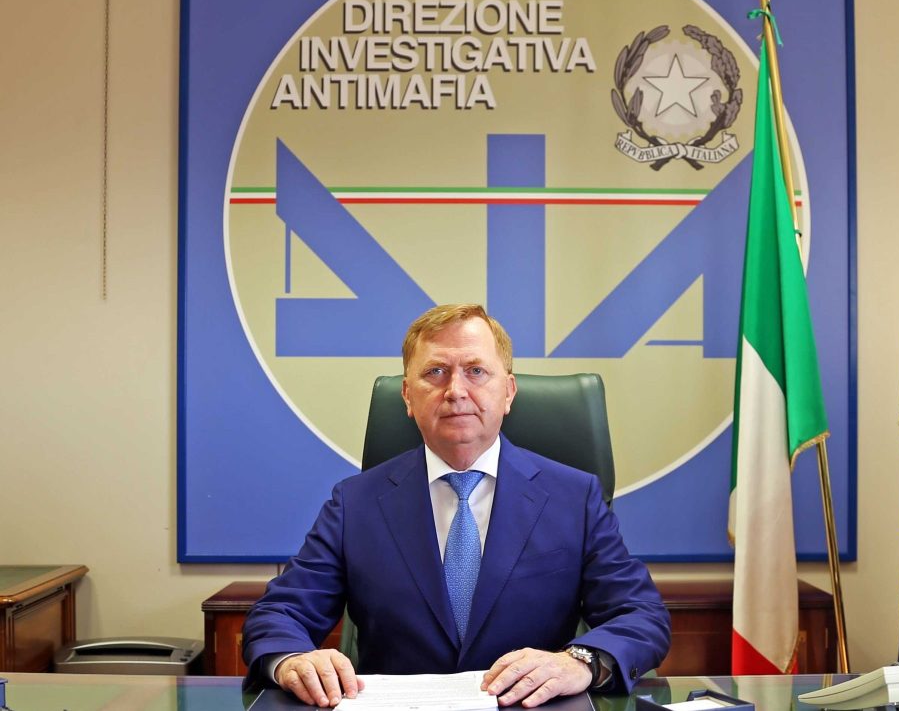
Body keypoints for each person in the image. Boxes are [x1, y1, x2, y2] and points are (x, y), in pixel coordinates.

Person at [242, 304, 670, 709]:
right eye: (436, 372)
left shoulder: (574, 498)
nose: (456, 391)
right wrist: (292, 659)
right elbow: (280, 614)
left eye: (476, 371)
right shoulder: (355, 503)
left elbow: (640, 614)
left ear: (509, 391)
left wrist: (580, 662)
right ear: (407, 396)